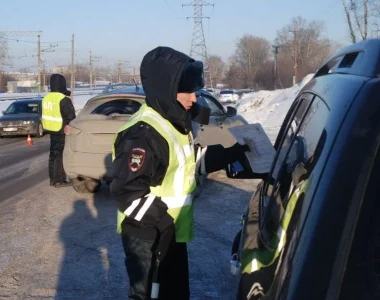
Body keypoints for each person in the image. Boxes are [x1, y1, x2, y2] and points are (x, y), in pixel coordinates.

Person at [110, 46, 253, 300]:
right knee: (148, 295)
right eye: (187, 91)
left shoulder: (175, 122)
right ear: (167, 89)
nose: (194, 98)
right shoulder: (144, 133)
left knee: (175, 293)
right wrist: (162, 221)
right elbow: (126, 190)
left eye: (195, 90)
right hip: (148, 234)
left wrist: (231, 153)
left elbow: (188, 165)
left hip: (169, 230)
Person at [42, 74, 76, 188]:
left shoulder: (46, 97)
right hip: (61, 131)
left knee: (53, 155)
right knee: (60, 156)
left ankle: (52, 179)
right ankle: (59, 180)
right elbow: (71, 117)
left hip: (51, 129)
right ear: (62, 84)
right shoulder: (63, 99)